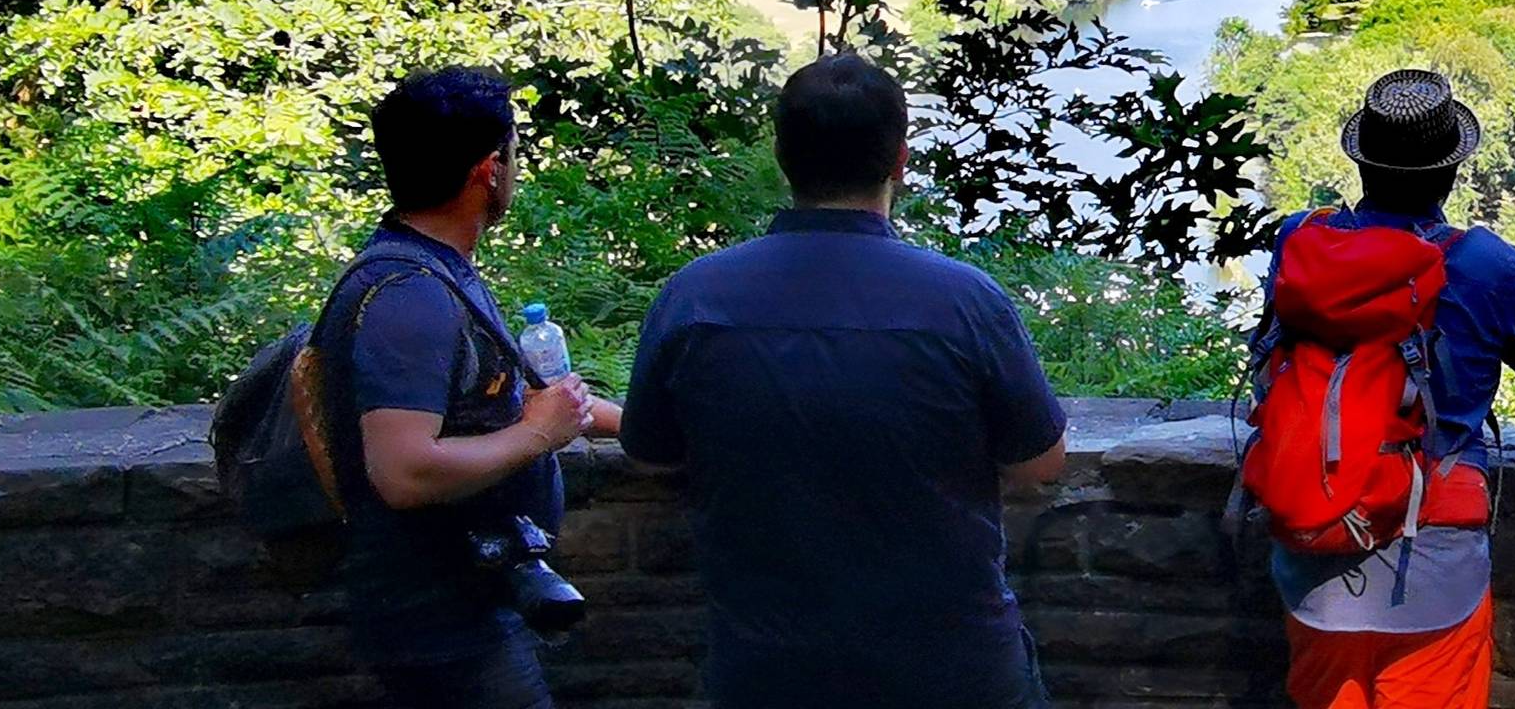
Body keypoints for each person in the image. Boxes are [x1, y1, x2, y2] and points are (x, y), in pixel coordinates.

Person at [620, 53, 1068, 708]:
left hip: (768, 673)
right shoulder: (963, 301)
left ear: (783, 156)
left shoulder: (695, 298)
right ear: (899, 161)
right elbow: (1042, 463)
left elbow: (650, 455)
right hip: (953, 669)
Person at [1254, 68, 1515, 709]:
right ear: (1451, 173)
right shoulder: (1488, 265)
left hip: (1312, 549)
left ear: (1362, 165)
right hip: (1434, 567)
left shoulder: (1300, 241)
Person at [315, 67, 623, 709]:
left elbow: (524, 407)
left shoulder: (432, 271)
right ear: (489, 169)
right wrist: (537, 435)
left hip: (464, 606)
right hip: (437, 621)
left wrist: (645, 422)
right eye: (514, 154)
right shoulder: (410, 296)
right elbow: (403, 472)